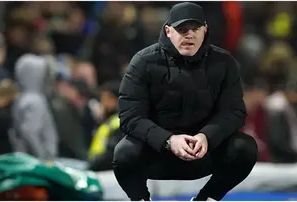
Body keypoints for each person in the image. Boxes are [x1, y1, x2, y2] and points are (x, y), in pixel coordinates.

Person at [113, 2, 257, 201]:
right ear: (168, 31)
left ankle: (207, 198)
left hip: (205, 151)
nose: (189, 35)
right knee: (124, 153)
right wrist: (168, 141)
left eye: (195, 29)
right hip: (157, 153)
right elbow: (130, 118)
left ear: (205, 30)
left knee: (245, 148)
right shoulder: (142, 62)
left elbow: (234, 112)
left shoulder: (224, 63)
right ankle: (140, 199)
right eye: (181, 29)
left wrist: (207, 136)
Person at [88, 81, 122, 171]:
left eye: (104, 99)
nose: (102, 104)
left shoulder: (119, 123)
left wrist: (92, 167)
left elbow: (112, 155)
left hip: (107, 171)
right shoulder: (108, 121)